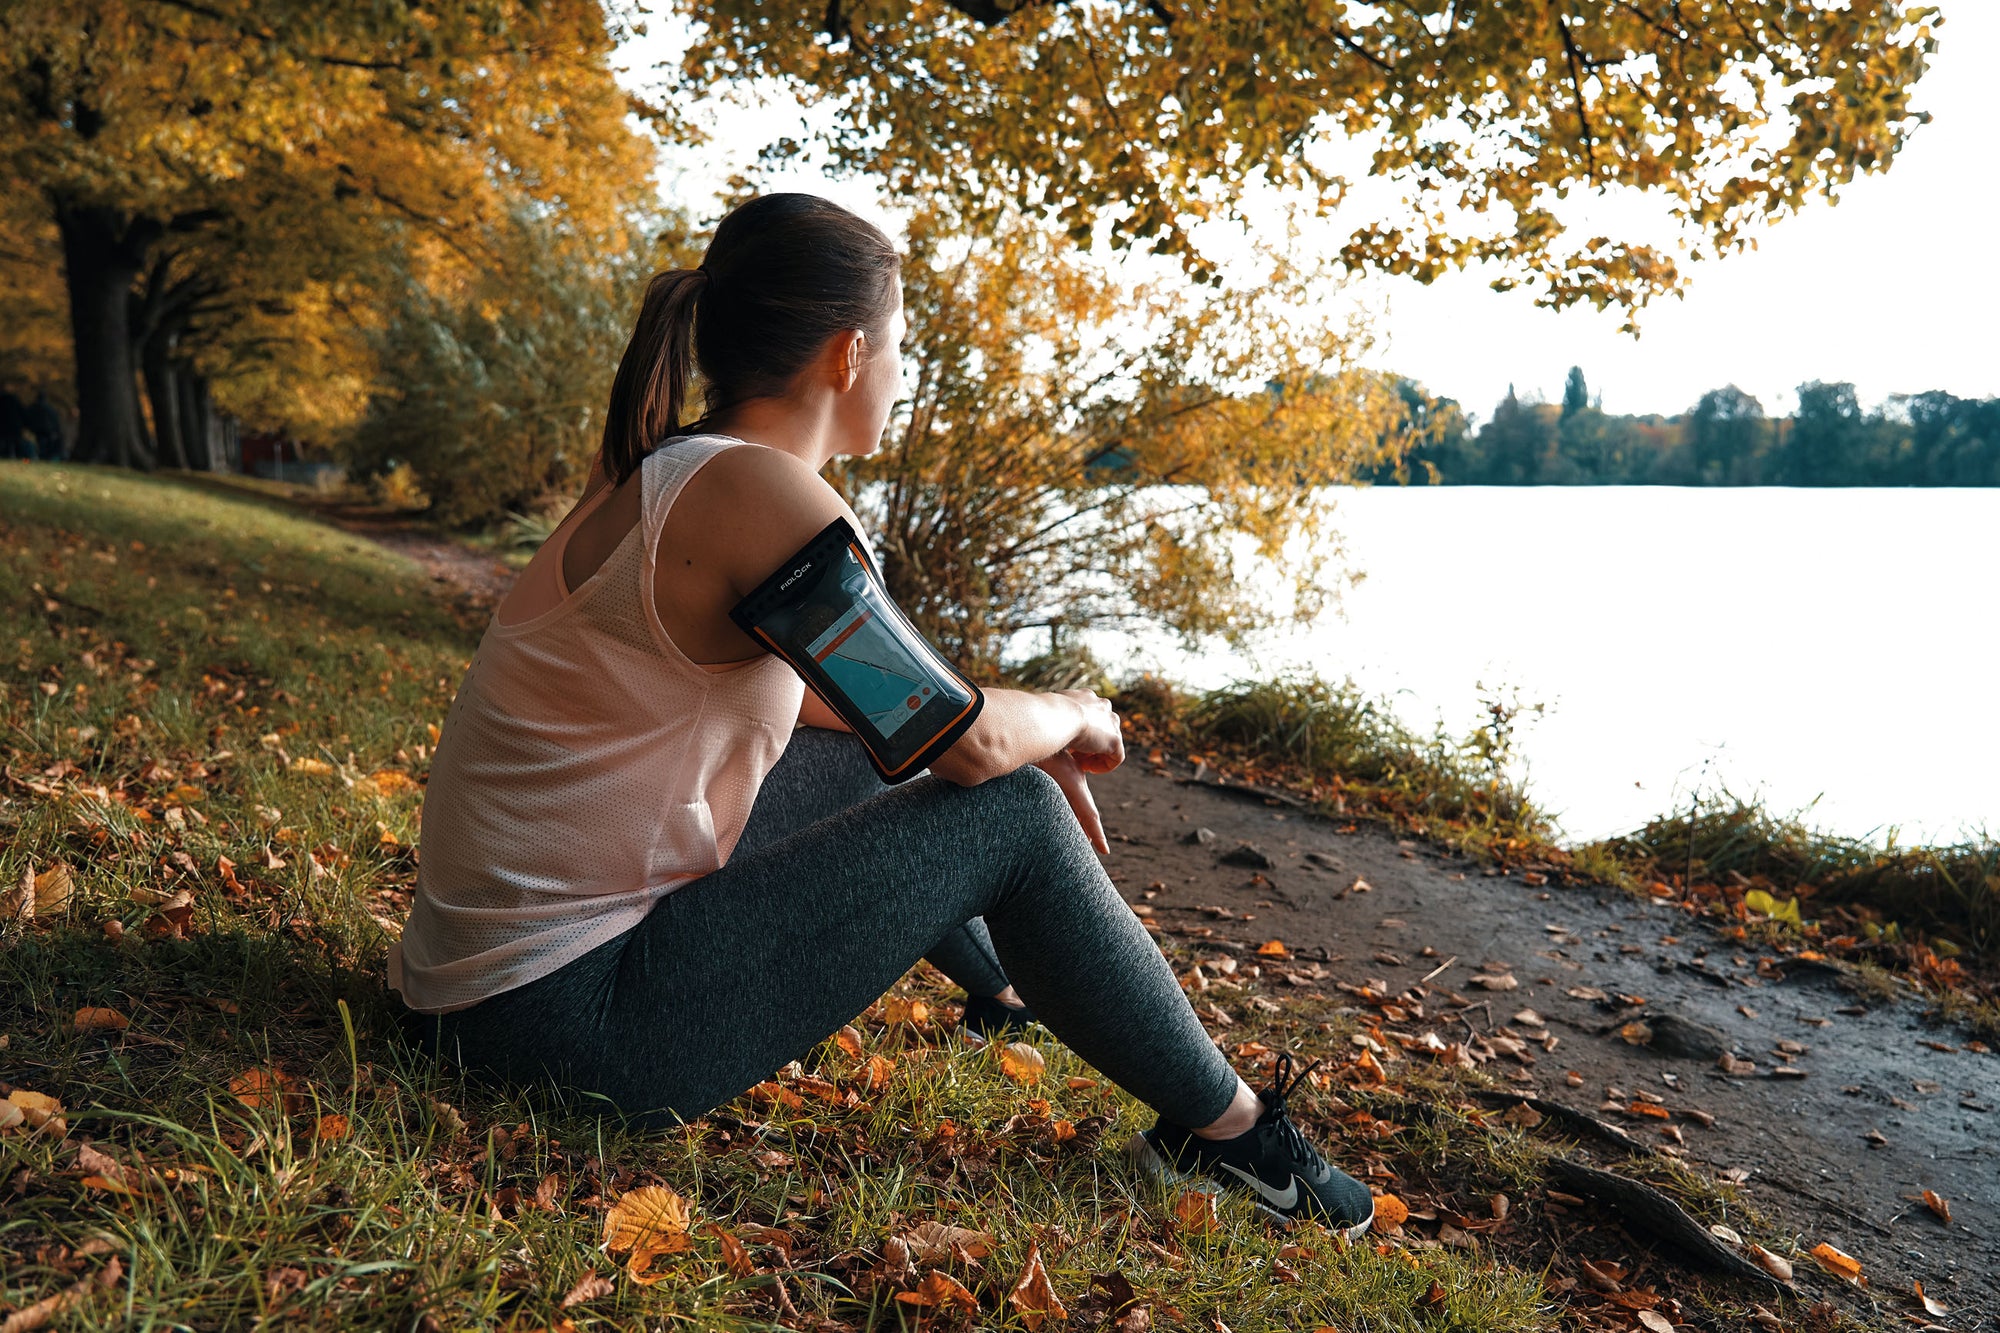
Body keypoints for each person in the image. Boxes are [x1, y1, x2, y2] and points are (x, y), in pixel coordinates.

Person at [390, 193, 1373, 1234]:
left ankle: (1005, 990)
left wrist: (984, 751)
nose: (900, 376)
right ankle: (1234, 1140)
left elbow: (872, 721)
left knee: (894, 753)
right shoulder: (761, 496)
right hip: (562, 1030)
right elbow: (969, 741)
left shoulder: (666, 470)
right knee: (1012, 809)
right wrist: (1079, 710)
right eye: (900, 347)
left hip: (470, 997)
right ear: (851, 354)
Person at [24, 390, 64, 462]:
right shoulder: (49, 408)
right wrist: (56, 430)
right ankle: (44, 457)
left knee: (40, 445)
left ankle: (41, 457)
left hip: (38, 430)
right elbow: (55, 419)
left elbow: (27, 417)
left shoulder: (33, 407)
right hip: (47, 430)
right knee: (45, 445)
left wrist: (28, 426)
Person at [0, 386, 26, 461]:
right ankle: (13, 455)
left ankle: (6, 454)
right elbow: (22, 412)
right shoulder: (15, 400)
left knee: (4, 441)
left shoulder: (2, 400)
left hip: (3, 425)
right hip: (14, 426)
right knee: (13, 442)